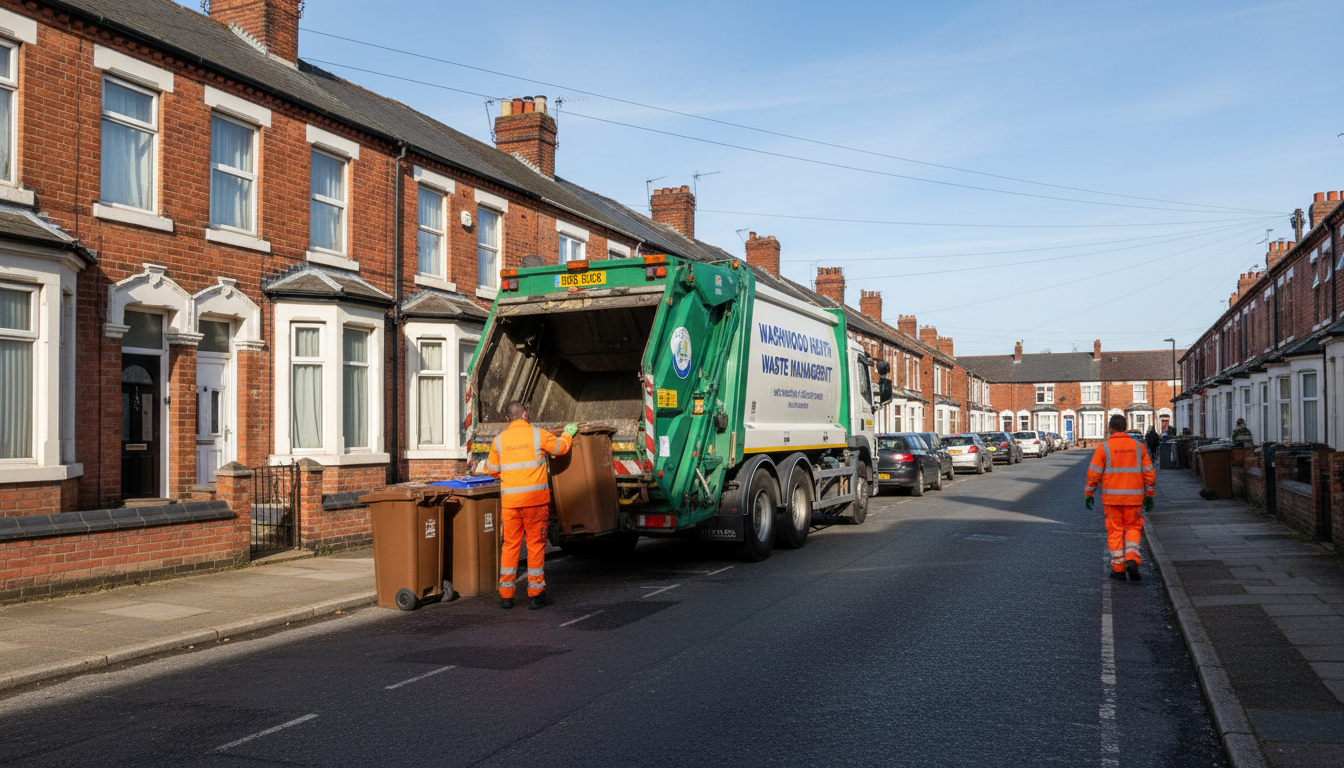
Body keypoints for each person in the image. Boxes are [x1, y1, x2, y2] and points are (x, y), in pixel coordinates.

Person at [484, 401, 576, 610]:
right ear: (525, 415)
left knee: (510, 546)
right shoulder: (538, 434)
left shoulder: (498, 441)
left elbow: (491, 469)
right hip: (535, 503)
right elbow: (561, 449)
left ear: (508, 418)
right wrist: (568, 434)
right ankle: (536, 595)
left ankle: (506, 596)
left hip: (510, 504)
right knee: (535, 546)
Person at [1085, 414, 1157, 582]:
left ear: (1111, 428)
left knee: (1115, 532)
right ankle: (1131, 558)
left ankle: (1118, 569)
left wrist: (1089, 494)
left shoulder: (1104, 447)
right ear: (1125, 427)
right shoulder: (1139, 447)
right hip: (1134, 498)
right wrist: (1150, 495)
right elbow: (1149, 473)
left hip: (1112, 499)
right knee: (1133, 528)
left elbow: (1093, 473)